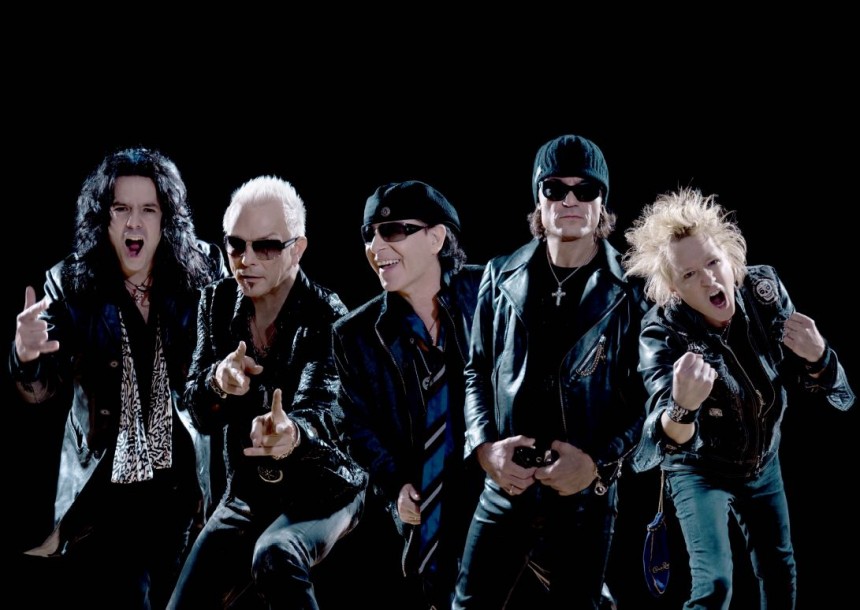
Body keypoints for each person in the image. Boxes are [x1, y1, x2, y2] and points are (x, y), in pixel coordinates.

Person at [10, 146, 228, 609]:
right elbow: (39, 390)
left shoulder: (205, 272)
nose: (135, 223)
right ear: (103, 217)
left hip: (184, 490)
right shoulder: (69, 282)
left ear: (166, 219)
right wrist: (26, 355)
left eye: (149, 209)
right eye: (121, 208)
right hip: (105, 499)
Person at [621, 186, 855, 609]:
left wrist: (820, 357)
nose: (709, 279)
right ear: (672, 289)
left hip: (763, 459)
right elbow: (650, 452)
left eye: (713, 262)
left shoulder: (764, 290)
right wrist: (682, 407)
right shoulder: (661, 333)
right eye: (689, 275)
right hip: (699, 470)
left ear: (731, 257)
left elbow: (841, 397)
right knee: (715, 584)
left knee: (779, 568)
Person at [452, 134, 648, 609]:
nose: (570, 200)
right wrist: (484, 449)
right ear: (538, 202)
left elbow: (650, 398)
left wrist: (598, 464)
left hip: (584, 498)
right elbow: (476, 371)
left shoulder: (634, 291)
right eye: (555, 189)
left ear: (603, 203)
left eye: (586, 189)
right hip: (506, 486)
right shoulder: (499, 275)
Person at [167, 175, 367, 609]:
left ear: (297, 249)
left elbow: (324, 411)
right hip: (249, 492)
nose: (246, 260)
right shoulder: (216, 303)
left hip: (324, 485)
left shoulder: (328, 316)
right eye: (235, 245)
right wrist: (217, 382)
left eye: (267, 247)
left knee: (274, 554)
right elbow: (197, 412)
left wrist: (291, 434)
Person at [331, 180, 485, 609]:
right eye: (369, 234)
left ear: (436, 238)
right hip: (425, 521)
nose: (376, 246)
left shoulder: (491, 292)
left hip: (502, 501)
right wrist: (395, 486)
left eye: (394, 230)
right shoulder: (353, 336)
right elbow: (356, 428)